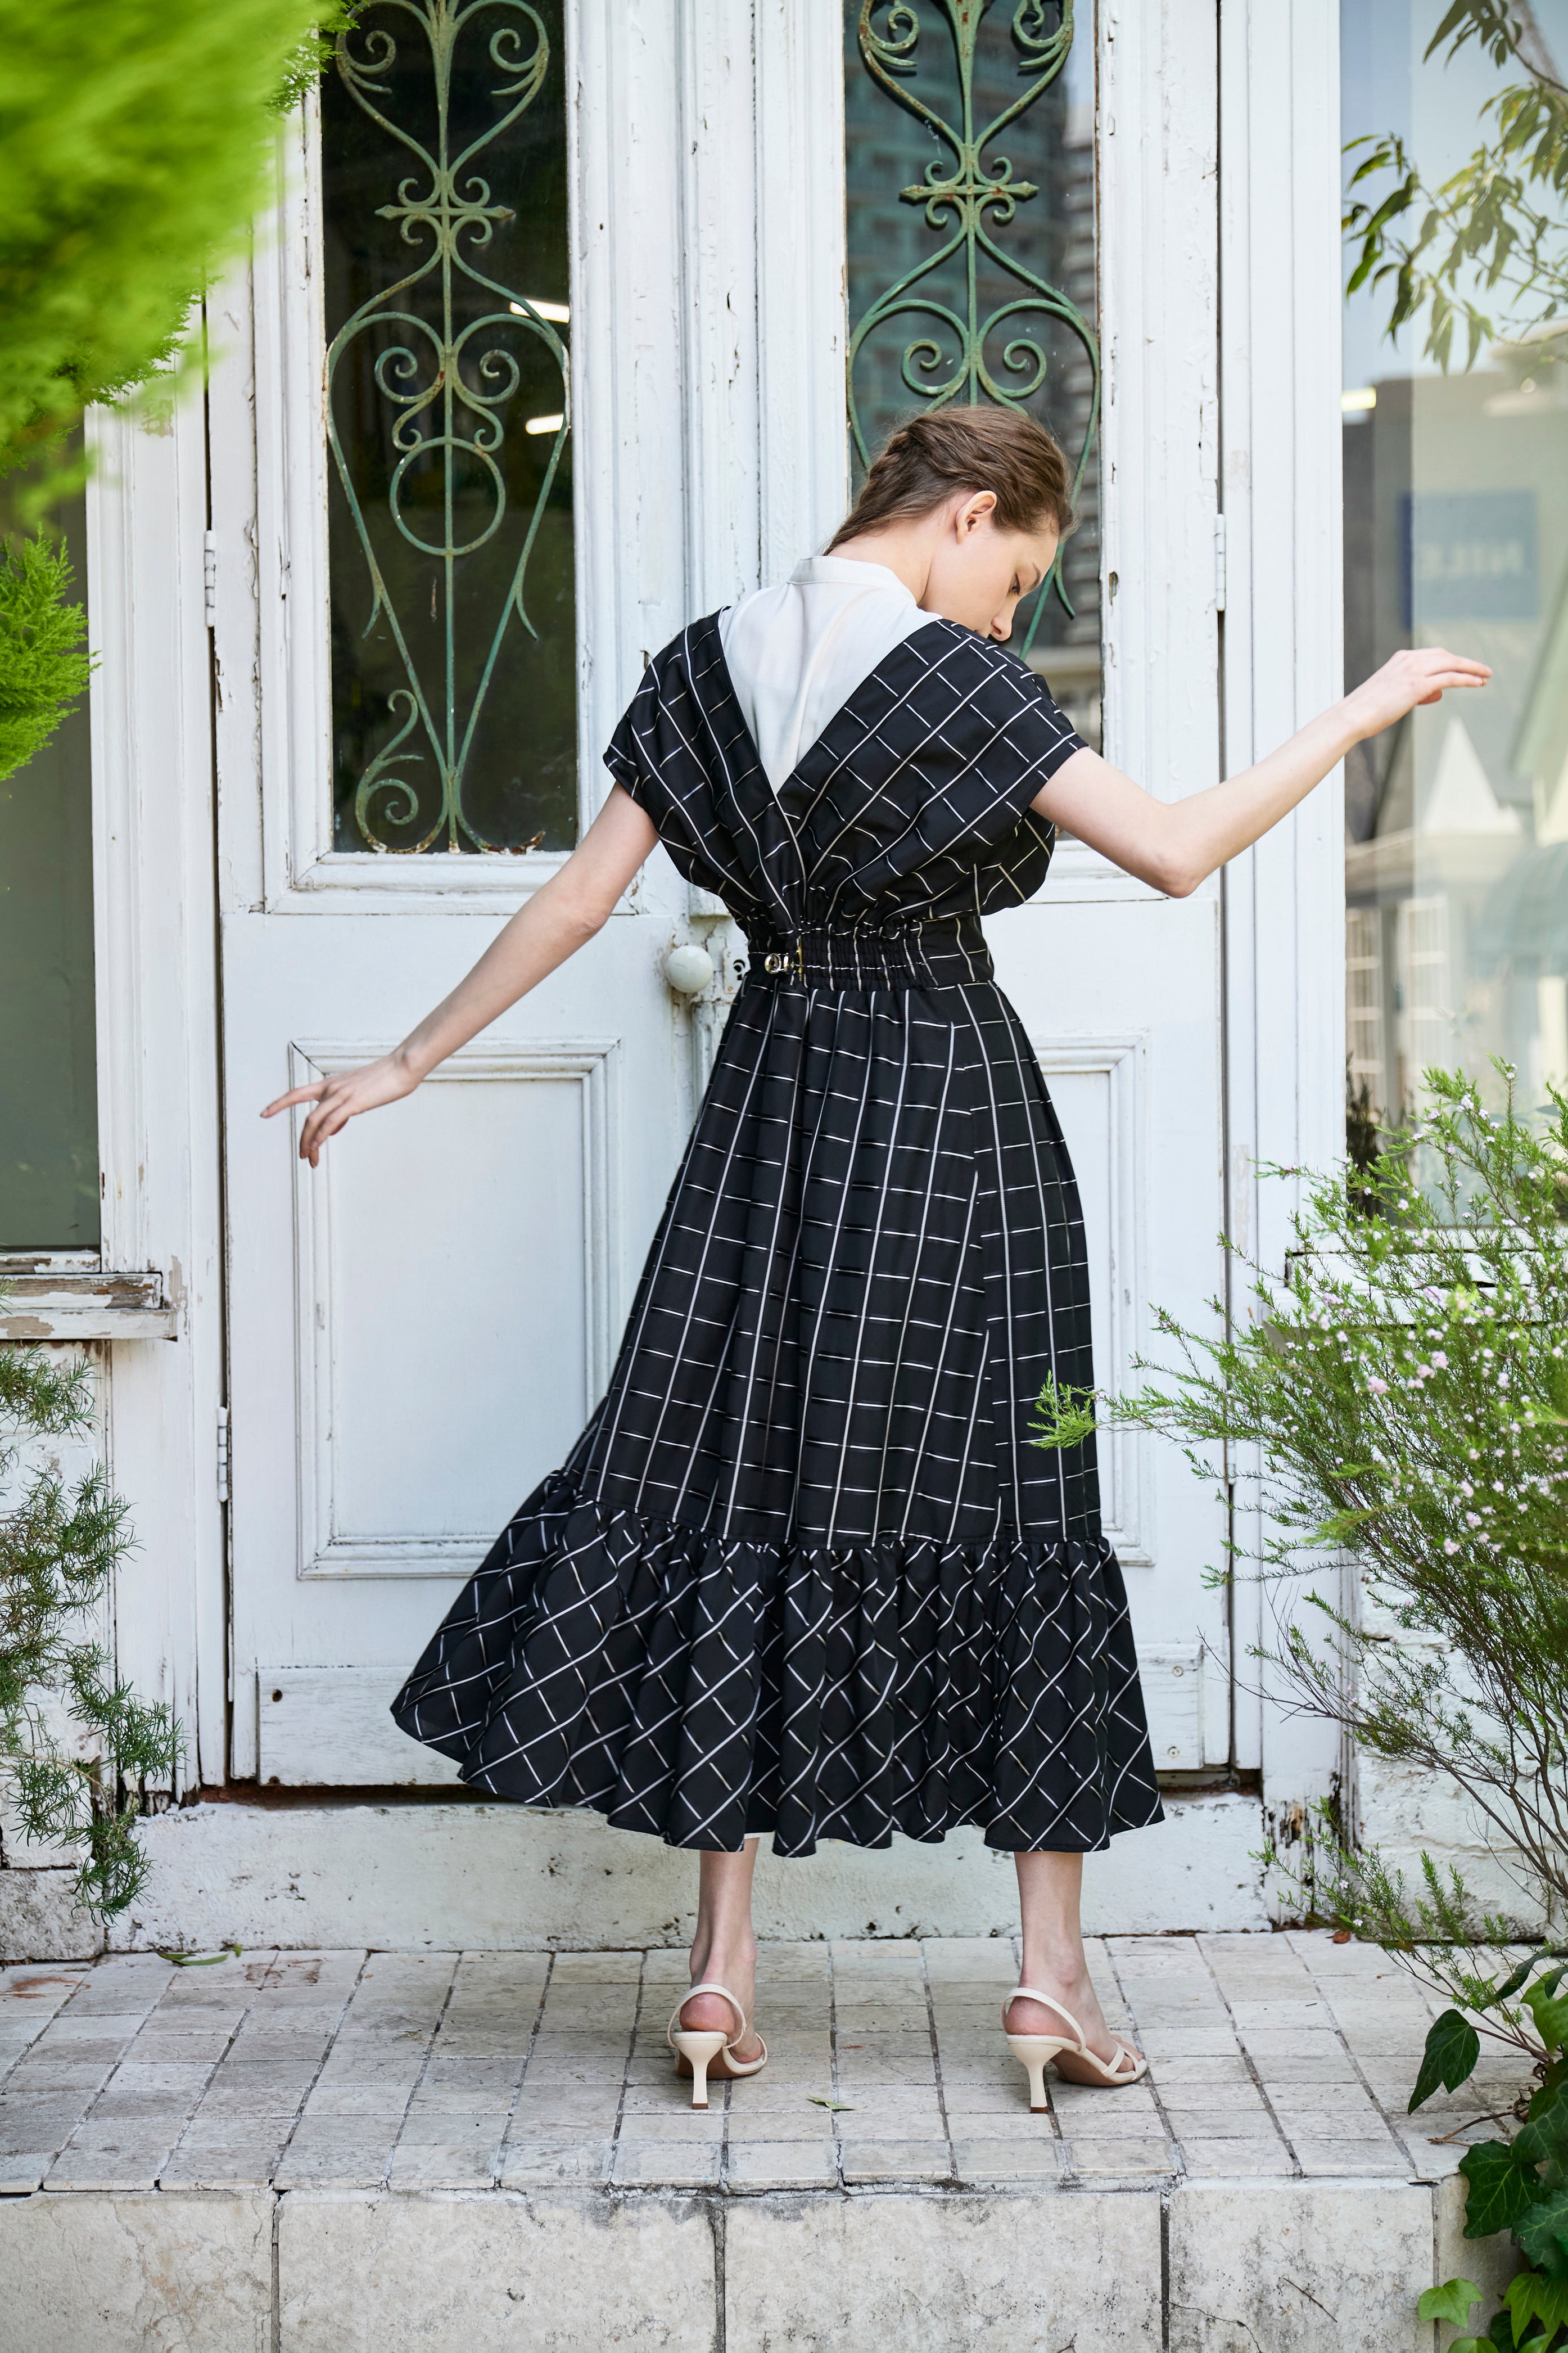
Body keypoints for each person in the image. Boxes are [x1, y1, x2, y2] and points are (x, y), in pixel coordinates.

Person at [264, 407, 1488, 2106]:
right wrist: (1360, 709)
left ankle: (718, 1971)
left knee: (732, 1468)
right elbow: (1176, 849)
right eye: (1020, 578)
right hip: (947, 1104)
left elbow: (578, 902)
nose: (1010, 614)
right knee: (1013, 1488)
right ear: (970, 512)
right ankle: (1051, 1980)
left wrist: (408, 1059)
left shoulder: (706, 664)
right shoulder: (954, 678)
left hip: (771, 1098)